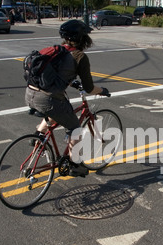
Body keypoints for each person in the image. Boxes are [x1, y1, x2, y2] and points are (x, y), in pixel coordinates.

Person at [25, 20, 109, 177]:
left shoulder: (57, 51)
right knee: (75, 128)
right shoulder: (80, 56)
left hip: (30, 93)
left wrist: (71, 82)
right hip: (48, 99)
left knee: (56, 110)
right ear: (82, 38)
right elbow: (90, 88)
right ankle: (74, 164)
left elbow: (55, 74)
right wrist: (102, 90)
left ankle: (39, 136)